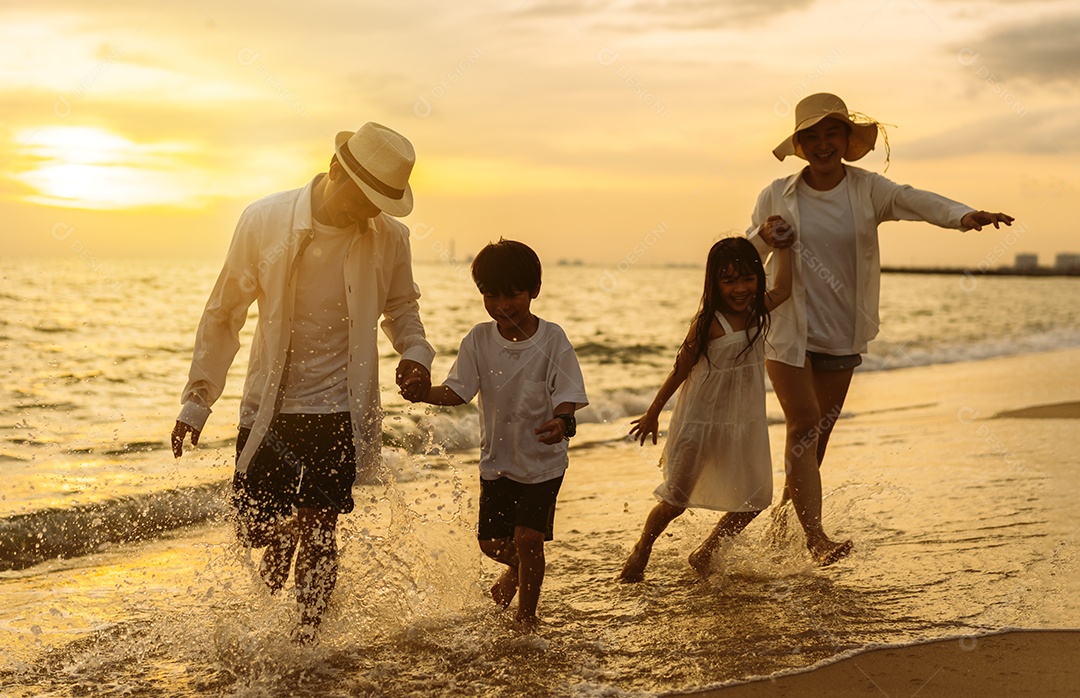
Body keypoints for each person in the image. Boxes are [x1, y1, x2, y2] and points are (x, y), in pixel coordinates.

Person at [170, 122, 435, 643]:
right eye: (361, 199)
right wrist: (197, 401)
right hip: (269, 408)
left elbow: (403, 309)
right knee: (252, 530)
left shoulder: (389, 237)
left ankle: (306, 645)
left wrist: (416, 354)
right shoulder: (264, 221)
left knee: (321, 530)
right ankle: (279, 584)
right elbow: (224, 312)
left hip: (340, 408)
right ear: (335, 169)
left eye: (377, 205)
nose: (366, 213)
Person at [748, 93, 1014, 564]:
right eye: (812, 136)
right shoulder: (776, 192)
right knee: (803, 424)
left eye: (832, 133)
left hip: (842, 329)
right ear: (800, 145)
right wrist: (762, 237)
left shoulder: (867, 189)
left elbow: (916, 200)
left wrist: (964, 216)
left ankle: (780, 531)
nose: (823, 144)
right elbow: (748, 255)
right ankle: (815, 539)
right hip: (787, 327)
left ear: (846, 140)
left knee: (813, 441)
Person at [405, 239, 588, 630]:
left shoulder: (552, 339)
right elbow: (458, 391)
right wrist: (424, 393)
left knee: (528, 538)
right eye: (491, 295)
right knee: (491, 544)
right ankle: (521, 570)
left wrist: (562, 422)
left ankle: (527, 619)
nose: (502, 305)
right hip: (497, 463)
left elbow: (568, 392)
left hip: (542, 463)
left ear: (534, 290)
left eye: (512, 295)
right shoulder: (478, 339)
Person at [619, 236, 792, 582]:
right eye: (729, 281)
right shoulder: (708, 323)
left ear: (758, 278)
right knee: (675, 501)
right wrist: (653, 412)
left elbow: (785, 288)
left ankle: (706, 552)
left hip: (742, 424)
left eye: (748, 279)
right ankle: (642, 548)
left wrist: (784, 244)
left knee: (756, 499)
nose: (740, 289)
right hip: (699, 422)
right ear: (714, 283)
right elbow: (680, 369)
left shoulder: (758, 311)